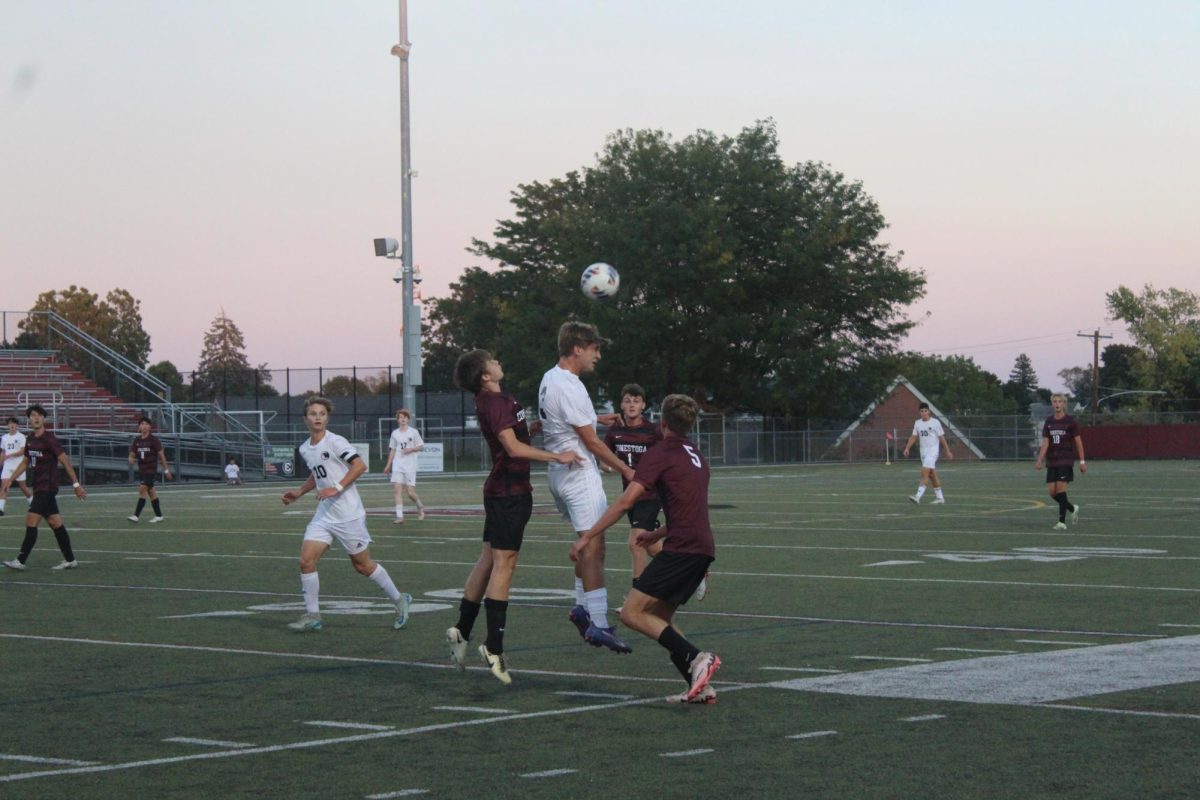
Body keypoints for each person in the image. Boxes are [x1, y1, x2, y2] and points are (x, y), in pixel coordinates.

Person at [571, 394, 722, 704]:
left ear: (662, 422)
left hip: (683, 548)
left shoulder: (660, 452)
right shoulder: (696, 454)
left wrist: (588, 536)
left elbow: (628, 500)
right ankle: (700, 686)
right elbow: (690, 507)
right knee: (660, 618)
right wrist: (657, 533)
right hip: (700, 545)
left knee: (631, 613)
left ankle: (697, 658)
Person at [446, 350, 583, 683]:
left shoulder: (498, 397)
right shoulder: (494, 402)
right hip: (509, 493)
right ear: (484, 375)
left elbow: (513, 439)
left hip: (502, 490)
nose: (498, 361)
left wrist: (528, 432)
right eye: (492, 360)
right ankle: (494, 646)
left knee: (488, 561)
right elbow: (512, 448)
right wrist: (557, 456)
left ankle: (462, 630)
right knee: (504, 564)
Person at [538, 320, 636, 653]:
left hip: (558, 474)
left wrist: (599, 417)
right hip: (579, 472)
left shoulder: (552, 377)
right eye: (594, 349)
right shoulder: (570, 384)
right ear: (577, 348)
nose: (598, 356)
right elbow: (590, 442)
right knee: (594, 547)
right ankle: (599, 624)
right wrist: (625, 468)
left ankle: (582, 607)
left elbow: (570, 421)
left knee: (589, 542)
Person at [280, 397, 412, 632]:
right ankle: (313, 615)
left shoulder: (336, 441)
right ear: (305, 419)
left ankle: (400, 599)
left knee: (362, 566)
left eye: (322, 413)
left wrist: (337, 488)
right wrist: (300, 492)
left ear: (327, 418)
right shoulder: (304, 448)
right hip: (325, 514)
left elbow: (360, 465)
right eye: (313, 413)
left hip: (348, 515)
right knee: (305, 561)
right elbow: (317, 473)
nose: (318, 417)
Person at [2, 405, 87, 571]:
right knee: (56, 523)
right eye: (32, 415)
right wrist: (10, 480)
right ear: (29, 419)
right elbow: (25, 462)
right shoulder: (31, 439)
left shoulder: (49, 439)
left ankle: (20, 561)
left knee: (31, 520)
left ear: (44, 419)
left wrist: (76, 485)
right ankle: (70, 560)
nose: (36, 418)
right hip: (39, 486)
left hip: (47, 487)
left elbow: (65, 460)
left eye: (39, 415)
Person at [1034, 393, 1086, 530]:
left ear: (1064, 404)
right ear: (1052, 404)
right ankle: (1071, 508)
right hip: (1052, 461)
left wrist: (1082, 461)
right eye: (1055, 402)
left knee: (1061, 490)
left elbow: (1078, 442)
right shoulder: (1049, 422)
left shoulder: (1071, 421)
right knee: (1052, 492)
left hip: (1066, 460)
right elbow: (1045, 442)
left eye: (1060, 402)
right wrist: (1040, 459)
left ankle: (1061, 522)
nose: (1057, 404)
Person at [902, 402, 953, 504]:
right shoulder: (917, 423)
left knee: (924, 472)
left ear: (929, 411)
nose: (924, 413)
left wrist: (948, 451)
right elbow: (914, 437)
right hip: (923, 452)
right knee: (932, 475)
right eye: (921, 411)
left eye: (925, 411)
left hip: (933, 451)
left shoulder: (935, 422)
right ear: (919, 412)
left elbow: (941, 437)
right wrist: (907, 448)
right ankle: (940, 498)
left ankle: (918, 496)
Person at [381, 409, 426, 524]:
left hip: (410, 465)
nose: (403, 419)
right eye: (400, 417)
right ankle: (400, 517)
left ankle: (420, 506)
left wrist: (411, 449)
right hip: (397, 465)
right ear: (397, 420)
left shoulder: (413, 432)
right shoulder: (395, 433)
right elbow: (393, 450)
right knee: (397, 490)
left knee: (410, 492)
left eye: (405, 417)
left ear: (408, 419)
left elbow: (421, 446)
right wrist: (388, 465)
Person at [127, 417, 172, 522]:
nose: (144, 426)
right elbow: (132, 454)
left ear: (150, 427)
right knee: (151, 492)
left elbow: (161, 455)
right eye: (142, 424)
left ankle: (136, 515)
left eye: (146, 424)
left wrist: (166, 470)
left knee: (142, 489)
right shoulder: (137, 440)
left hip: (151, 470)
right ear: (139, 426)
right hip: (142, 470)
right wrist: (130, 459)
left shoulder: (153, 440)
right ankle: (159, 515)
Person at [0, 416, 33, 515]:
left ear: (17, 425)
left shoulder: (21, 437)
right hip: (8, 466)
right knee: (4, 486)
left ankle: (33, 503)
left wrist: (10, 455)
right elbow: (3, 452)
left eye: (14, 423)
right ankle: (1, 509)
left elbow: (22, 451)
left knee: (23, 487)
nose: (12, 425)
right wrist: (1, 462)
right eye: (10, 423)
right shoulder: (4, 437)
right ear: (8, 425)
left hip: (19, 466)